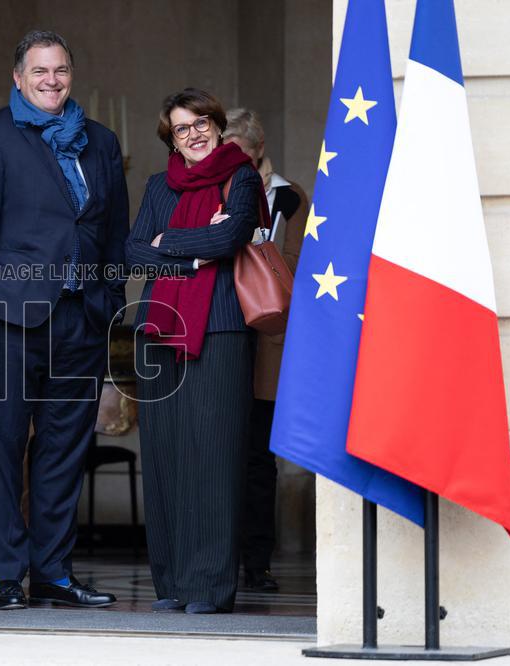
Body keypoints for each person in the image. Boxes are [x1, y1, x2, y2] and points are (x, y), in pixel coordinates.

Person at [0, 30, 127, 610]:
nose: (51, 81)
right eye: (39, 72)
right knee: (4, 447)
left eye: (61, 71)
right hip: (11, 317)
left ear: (71, 75)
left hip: (81, 318)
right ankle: (6, 575)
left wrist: (108, 304)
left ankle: (52, 572)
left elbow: (113, 236)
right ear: (18, 78)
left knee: (64, 450)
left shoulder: (99, 142)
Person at [125, 88, 263, 614]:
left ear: (217, 124)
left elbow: (229, 240)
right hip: (160, 330)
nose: (195, 133)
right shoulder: (159, 185)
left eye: (202, 122)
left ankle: (208, 586)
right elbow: (134, 251)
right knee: (165, 456)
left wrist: (169, 244)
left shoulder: (241, 177)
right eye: (182, 128)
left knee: (213, 456)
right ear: (172, 139)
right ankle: (173, 584)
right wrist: (187, 252)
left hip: (222, 329)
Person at [223, 108, 308, 592]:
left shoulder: (290, 198)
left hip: (266, 338)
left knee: (257, 456)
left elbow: (294, 267)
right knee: (218, 452)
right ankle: (216, 556)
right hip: (219, 333)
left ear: (257, 152)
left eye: (240, 157)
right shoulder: (210, 187)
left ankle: (256, 560)